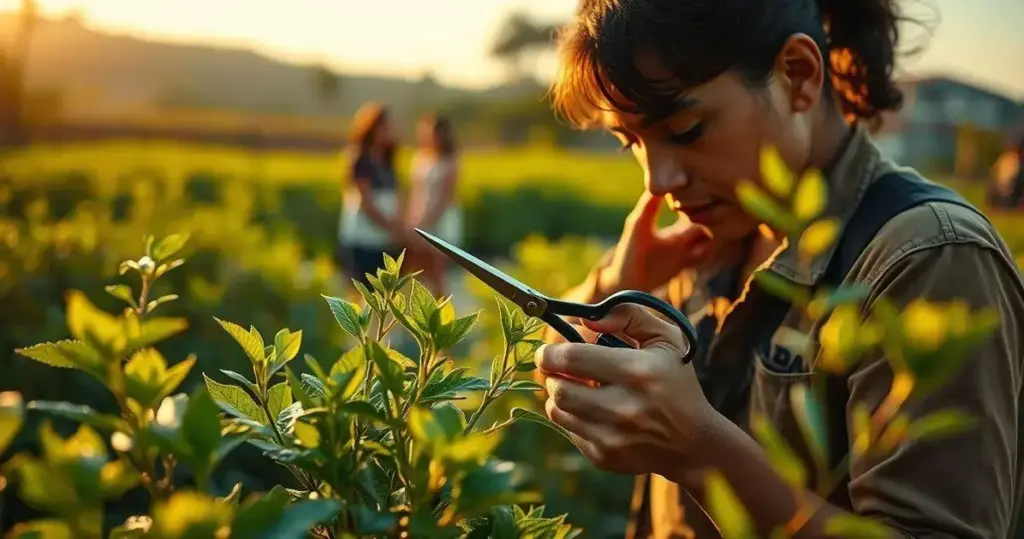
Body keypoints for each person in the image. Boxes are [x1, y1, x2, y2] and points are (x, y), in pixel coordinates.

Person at [534, 0, 1024, 538]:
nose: (658, 180)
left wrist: (703, 456)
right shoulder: (710, 240)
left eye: (688, 129)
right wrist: (609, 287)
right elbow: (556, 371)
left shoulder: (928, 258)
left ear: (798, 75)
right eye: (630, 141)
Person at [336, 102, 408, 286]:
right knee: (363, 293)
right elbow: (366, 203)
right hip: (363, 240)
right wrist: (391, 227)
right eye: (385, 126)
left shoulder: (387, 159)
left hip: (383, 241)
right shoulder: (361, 159)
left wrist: (398, 226)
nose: (390, 131)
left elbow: (395, 196)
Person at [404, 114, 463, 296]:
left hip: (441, 221)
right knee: (416, 270)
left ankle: (443, 317)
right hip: (419, 217)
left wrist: (427, 222)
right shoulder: (420, 157)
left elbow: (446, 198)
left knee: (437, 272)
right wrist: (411, 219)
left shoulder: (450, 161)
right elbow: (415, 192)